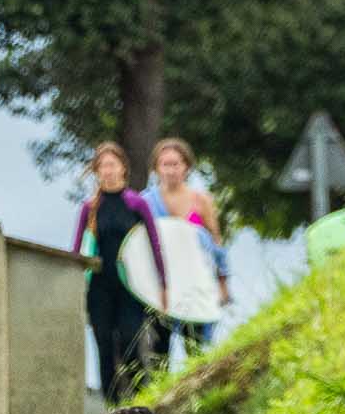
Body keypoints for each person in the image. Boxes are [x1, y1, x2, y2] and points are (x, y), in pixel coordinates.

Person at [72, 141, 168, 399]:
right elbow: (76, 250)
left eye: (112, 165)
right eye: (102, 166)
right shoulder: (89, 208)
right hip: (99, 288)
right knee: (104, 346)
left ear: (123, 168)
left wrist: (162, 283)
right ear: (97, 172)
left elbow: (154, 244)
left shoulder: (136, 204)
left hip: (130, 287)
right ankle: (111, 405)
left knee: (130, 340)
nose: (108, 171)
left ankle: (140, 400)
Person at [147, 138, 232, 352]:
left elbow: (215, 241)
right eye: (165, 164)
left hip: (195, 281)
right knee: (160, 345)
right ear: (157, 168)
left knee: (194, 344)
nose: (171, 170)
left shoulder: (200, 200)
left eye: (175, 164)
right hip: (162, 284)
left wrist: (223, 283)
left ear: (186, 166)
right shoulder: (146, 202)